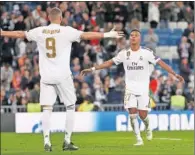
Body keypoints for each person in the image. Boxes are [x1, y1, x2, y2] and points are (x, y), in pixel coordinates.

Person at [1, 7, 124, 152]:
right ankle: (67, 140)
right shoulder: (67, 31)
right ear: (60, 19)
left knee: (47, 109)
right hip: (63, 76)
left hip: (46, 76)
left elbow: (19, 33)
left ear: (48, 18)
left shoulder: (40, 31)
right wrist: (106, 34)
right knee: (70, 107)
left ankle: (47, 142)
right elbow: (86, 35)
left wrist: (2, 32)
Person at [81, 29, 184, 146]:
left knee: (143, 115)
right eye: (131, 35)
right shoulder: (124, 53)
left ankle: (147, 126)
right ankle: (138, 139)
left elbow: (161, 63)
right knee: (132, 114)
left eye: (136, 35)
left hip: (144, 89)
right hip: (130, 89)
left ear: (140, 38)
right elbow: (109, 62)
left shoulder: (147, 52)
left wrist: (174, 74)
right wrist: (93, 69)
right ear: (130, 38)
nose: (133, 37)